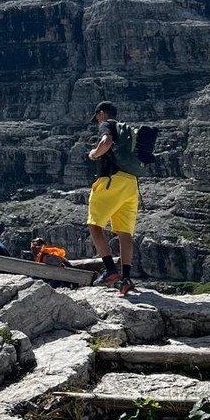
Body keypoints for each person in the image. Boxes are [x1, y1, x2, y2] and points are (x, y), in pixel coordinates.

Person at [86, 101, 139, 294]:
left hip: (111, 181)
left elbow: (106, 142)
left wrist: (94, 154)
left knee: (94, 225)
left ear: (101, 113)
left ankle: (110, 270)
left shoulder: (107, 124)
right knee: (125, 232)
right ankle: (126, 278)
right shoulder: (128, 131)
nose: (97, 122)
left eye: (97, 118)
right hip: (131, 184)